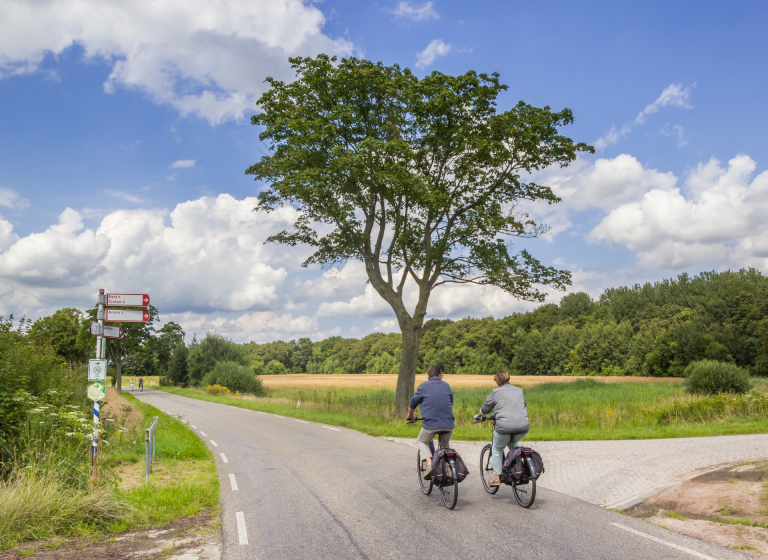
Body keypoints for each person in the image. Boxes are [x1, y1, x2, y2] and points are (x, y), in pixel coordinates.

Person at [476, 370, 529, 487]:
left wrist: (478, 415)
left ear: (498, 381)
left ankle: (496, 478)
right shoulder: (519, 390)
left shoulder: (496, 392)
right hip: (523, 426)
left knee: (496, 449)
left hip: (504, 427)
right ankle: (522, 464)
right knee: (512, 442)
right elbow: (522, 405)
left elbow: (485, 408)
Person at [406, 365, 454, 480]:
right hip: (448, 424)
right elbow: (450, 402)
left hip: (431, 424)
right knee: (445, 447)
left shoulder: (423, 386)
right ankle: (447, 473)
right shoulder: (446, 385)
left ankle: (429, 464)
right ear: (440, 376)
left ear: (429, 376)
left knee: (421, 441)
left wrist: (410, 416)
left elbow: (413, 403)